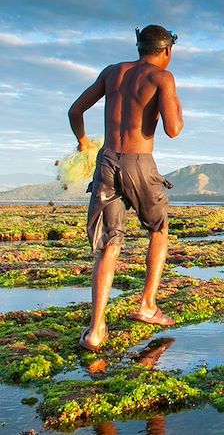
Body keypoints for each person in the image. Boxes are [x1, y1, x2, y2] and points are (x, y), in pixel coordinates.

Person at [68, 24, 184, 352]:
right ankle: (147, 304)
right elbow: (174, 130)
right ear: (166, 51)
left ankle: (95, 330)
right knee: (159, 229)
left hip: (106, 161)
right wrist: (177, 109)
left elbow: (75, 111)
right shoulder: (163, 77)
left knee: (109, 244)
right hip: (139, 162)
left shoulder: (112, 73)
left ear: (138, 46)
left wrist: (82, 142)